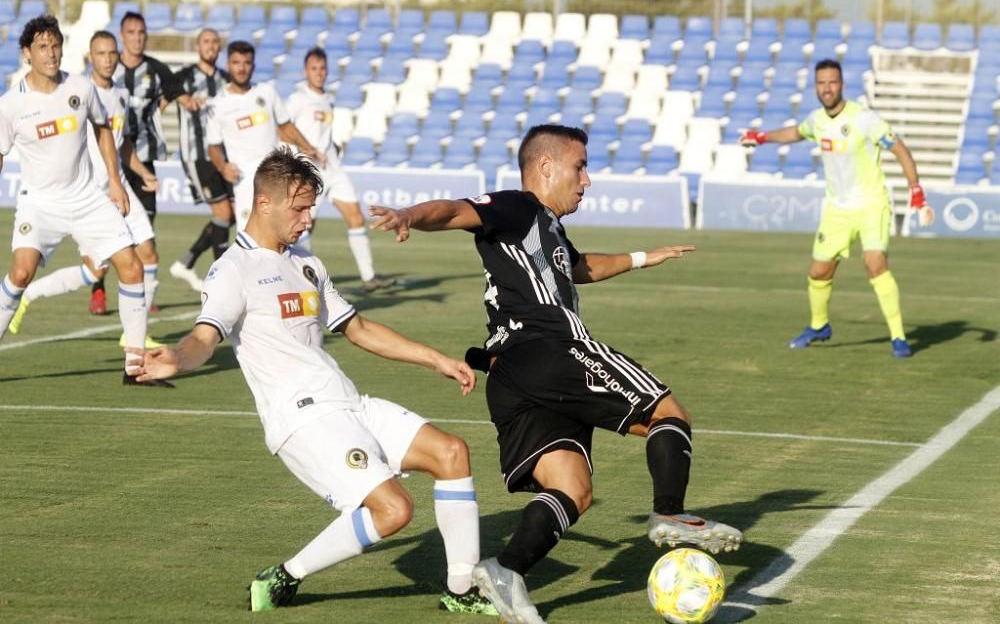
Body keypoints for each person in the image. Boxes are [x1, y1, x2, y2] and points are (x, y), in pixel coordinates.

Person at [369, 124, 743, 624]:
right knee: (667, 414)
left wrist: (640, 258)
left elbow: (578, 267)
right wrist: (410, 216)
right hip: (550, 349)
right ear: (546, 166)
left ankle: (504, 571)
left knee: (573, 488)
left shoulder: (544, 229)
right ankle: (670, 511)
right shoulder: (520, 206)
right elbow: (458, 210)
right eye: (580, 166)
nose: (586, 180)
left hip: (510, 378)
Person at [129, 148, 497, 615]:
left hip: (344, 401)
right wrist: (176, 360)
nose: (307, 219)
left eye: (311, 208)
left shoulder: (307, 263)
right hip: (301, 419)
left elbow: (357, 328)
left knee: (452, 453)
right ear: (264, 204)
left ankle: (461, 591)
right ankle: (286, 574)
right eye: (299, 208)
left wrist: (436, 360)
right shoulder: (232, 270)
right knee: (393, 511)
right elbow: (205, 337)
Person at [0, 15, 161, 386]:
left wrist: (117, 183)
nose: (51, 53)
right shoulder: (10, 105)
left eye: (55, 45)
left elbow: (104, 130)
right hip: (39, 204)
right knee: (20, 273)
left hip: (88, 198)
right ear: (27, 53)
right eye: (42, 47)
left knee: (132, 267)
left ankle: (134, 369)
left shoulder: (80, 87)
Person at [739, 58, 934, 358]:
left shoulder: (864, 118)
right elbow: (796, 133)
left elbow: (901, 150)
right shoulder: (817, 120)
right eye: (821, 83)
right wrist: (762, 137)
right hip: (837, 210)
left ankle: (898, 337)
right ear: (816, 87)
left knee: (875, 264)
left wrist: (916, 192)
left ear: (841, 85)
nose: (827, 88)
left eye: (832, 82)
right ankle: (819, 326)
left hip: (871, 204)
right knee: (818, 272)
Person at [91, 10, 183, 315]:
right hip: (108, 166)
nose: (138, 37)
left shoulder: (155, 69)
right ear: (122, 35)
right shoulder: (105, 75)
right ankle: (99, 289)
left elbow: (177, 91)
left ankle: (139, 294)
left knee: (144, 234)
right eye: (131, 32)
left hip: (142, 155)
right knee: (108, 232)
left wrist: (171, 103)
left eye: (142, 32)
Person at [285, 47, 395, 292]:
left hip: (333, 167)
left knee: (356, 216)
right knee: (304, 225)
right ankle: (303, 277)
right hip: (309, 171)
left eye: (323, 68)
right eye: (314, 68)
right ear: (306, 71)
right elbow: (282, 129)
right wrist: (305, 150)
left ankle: (369, 277)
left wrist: (331, 148)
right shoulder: (297, 99)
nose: (319, 73)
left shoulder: (326, 98)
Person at [204, 40, 324, 231]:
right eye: (236, 63)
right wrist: (223, 166)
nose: (241, 68)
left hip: (276, 173)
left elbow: (285, 126)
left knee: (284, 231)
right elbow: (213, 146)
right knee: (248, 235)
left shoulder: (266, 93)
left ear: (253, 66)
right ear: (228, 65)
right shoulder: (217, 104)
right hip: (244, 178)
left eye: (246, 63)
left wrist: (308, 147)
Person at [168, 28, 232, 292]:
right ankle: (222, 282)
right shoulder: (182, 77)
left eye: (215, 42)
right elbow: (161, 95)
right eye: (206, 41)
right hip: (197, 156)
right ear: (197, 46)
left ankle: (187, 262)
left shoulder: (226, 81)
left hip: (223, 155)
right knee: (224, 213)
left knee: (230, 214)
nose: (211, 46)